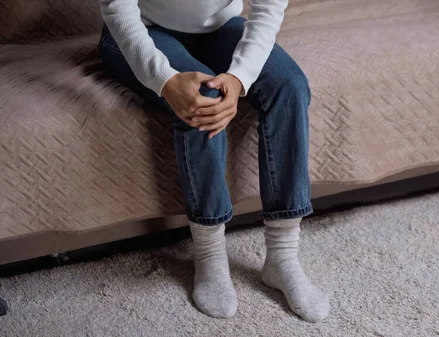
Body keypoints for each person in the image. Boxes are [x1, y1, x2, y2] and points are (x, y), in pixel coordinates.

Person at [98, 0, 329, 322]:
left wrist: (239, 77)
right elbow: (118, 9)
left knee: (289, 86)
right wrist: (164, 79)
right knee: (202, 99)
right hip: (138, 30)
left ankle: (283, 257)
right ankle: (209, 253)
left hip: (220, 29)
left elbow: (269, 7)